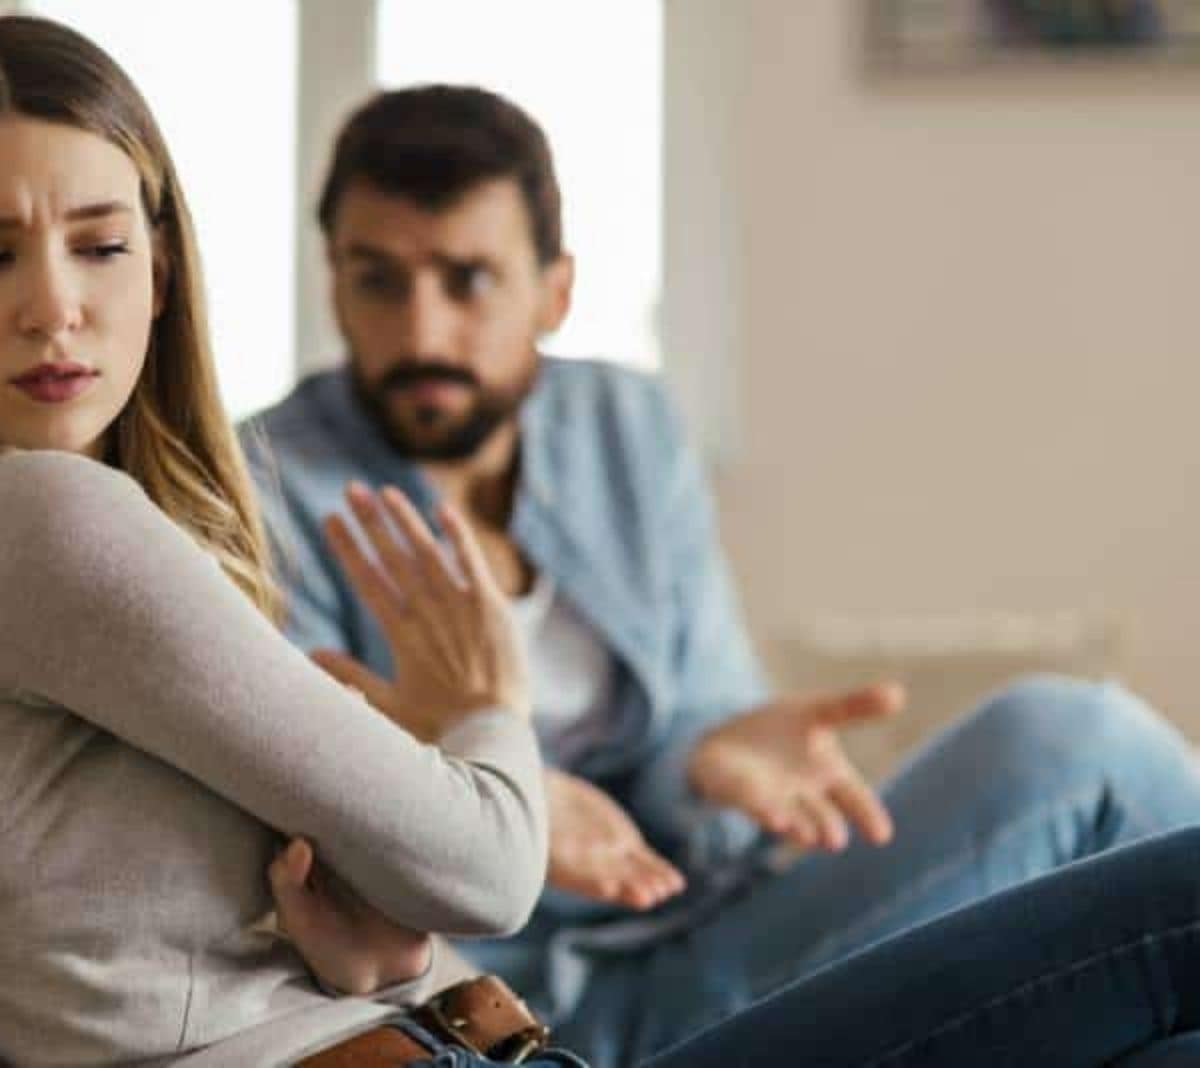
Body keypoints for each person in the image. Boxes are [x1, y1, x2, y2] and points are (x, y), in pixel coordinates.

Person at [0, 14, 1200, 1068]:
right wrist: (487, 710)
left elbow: (324, 897)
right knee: (1104, 801)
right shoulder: (111, 513)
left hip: (515, 996)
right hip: (555, 993)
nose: (56, 309)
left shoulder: (612, 432)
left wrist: (670, 768)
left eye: (102, 245)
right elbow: (471, 861)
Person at [240, 84, 1200, 1064]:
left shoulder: (624, 427)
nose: (421, 335)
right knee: (1083, 744)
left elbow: (703, 720)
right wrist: (516, 811)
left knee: (1145, 1009)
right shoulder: (266, 482)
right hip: (530, 996)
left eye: (467, 280)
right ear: (333, 281)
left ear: (553, 290)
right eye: (377, 280)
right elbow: (312, 772)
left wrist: (702, 761)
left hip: (723, 921)